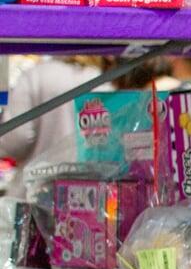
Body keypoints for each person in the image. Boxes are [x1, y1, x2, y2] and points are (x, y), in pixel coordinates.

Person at [0, 56, 111, 194]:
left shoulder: (36, 75)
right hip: (89, 192)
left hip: (34, 190)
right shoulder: (106, 80)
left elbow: (15, 139)